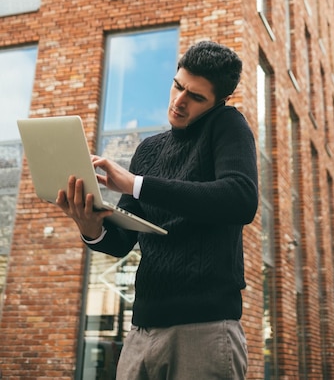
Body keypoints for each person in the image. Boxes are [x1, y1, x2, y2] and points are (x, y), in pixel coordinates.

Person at [57, 40, 259, 380]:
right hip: (141, 331)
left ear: (218, 102)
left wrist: (136, 184)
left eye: (195, 97)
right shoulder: (148, 151)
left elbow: (240, 199)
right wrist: (90, 226)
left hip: (205, 330)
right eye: (178, 86)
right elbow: (121, 241)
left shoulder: (227, 125)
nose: (179, 101)